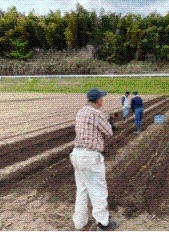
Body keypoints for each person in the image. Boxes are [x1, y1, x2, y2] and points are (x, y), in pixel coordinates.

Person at [69, 87, 119, 231]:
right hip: (90, 156)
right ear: (98, 101)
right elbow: (109, 132)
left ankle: (79, 222)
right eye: (101, 98)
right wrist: (109, 122)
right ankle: (103, 224)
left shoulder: (81, 112)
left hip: (77, 154)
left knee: (82, 189)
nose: (102, 100)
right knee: (98, 190)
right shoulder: (96, 114)